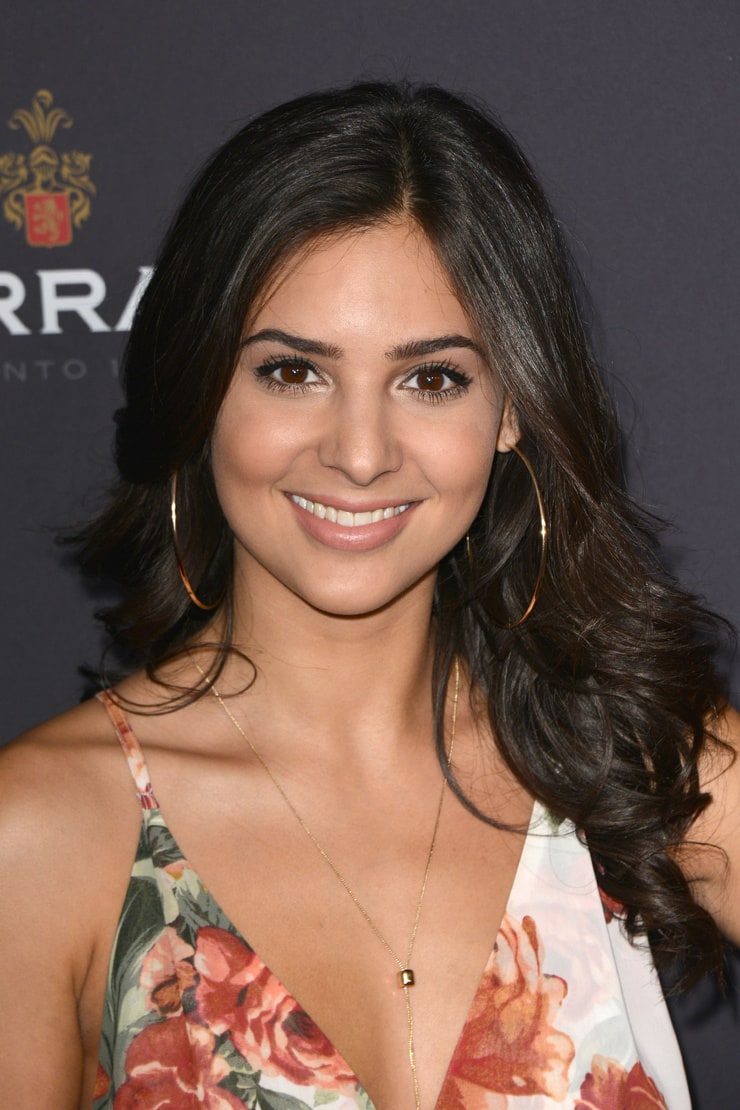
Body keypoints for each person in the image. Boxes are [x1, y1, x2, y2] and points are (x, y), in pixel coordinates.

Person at [0, 81, 737, 1110]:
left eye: (430, 379)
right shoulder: (42, 831)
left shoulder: (638, 761)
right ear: (201, 391)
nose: (358, 453)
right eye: (292, 372)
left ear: (511, 409)